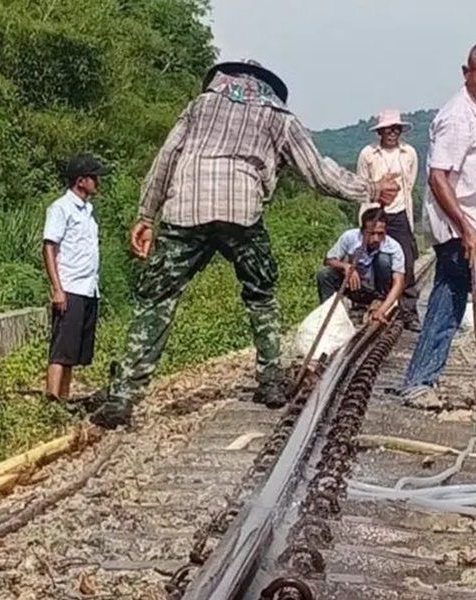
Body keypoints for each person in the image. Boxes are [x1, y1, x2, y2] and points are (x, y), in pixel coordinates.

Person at [86, 59, 400, 428]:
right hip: (243, 212)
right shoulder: (279, 116)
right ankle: (269, 381)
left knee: (157, 298)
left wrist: (145, 216)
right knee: (261, 294)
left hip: (186, 208)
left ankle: (124, 396)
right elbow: (319, 174)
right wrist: (373, 189)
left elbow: (166, 159)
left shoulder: (200, 105)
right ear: (267, 85)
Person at [400, 40, 476, 406]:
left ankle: (419, 381)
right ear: (466, 73)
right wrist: (466, 229)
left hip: (473, 224)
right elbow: (438, 179)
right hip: (459, 227)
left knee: (447, 300)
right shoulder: (456, 117)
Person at [42, 154, 106, 401]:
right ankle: (52, 399)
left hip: (88, 288)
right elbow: (49, 247)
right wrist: (57, 289)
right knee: (60, 350)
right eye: (93, 177)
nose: (97, 182)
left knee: (73, 352)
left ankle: (64, 400)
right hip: (70, 287)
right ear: (81, 181)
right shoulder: (61, 208)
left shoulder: (88, 210)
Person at [356, 109, 421, 331]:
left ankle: (408, 311)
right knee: (370, 258)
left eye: (396, 129)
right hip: (376, 211)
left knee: (407, 261)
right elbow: (363, 185)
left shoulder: (409, 153)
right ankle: (368, 302)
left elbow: (409, 184)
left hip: (400, 212)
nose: (392, 132)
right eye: (388, 129)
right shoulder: (368, 154)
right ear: (380, 132)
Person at [317, 208, 406, 322]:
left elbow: (399, 282)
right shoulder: (350, 237)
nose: (376, 239)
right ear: (362, 231)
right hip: (356, 286)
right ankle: (329, 316)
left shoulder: (393, 247)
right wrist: (346, 266)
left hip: (377, 290)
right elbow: (328, 260)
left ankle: (380, 302)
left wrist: (381, 311)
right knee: (324, 274)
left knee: (383, 259)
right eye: (371, 233)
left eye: (380, 234)